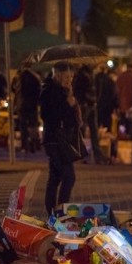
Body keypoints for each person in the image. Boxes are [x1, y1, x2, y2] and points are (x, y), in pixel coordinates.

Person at [41, 62, 81, 216]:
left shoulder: (63, 91)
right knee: (69, 177)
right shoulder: (49, 90)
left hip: (60, 140)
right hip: (55, 140)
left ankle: (52, 213)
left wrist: (71, 102)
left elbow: (70, 119)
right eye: (66, 76)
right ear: (56, 75)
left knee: (55, 177)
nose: (69, 80)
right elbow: (49, 116)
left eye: (71, 77)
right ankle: (59, 213)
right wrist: (67, 104)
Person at [73, 65, 103, 162]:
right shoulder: (91, 76)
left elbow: (77, 90)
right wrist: (93, 100)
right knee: (92, 130)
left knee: (83, 128)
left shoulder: (82, 76)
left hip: (86, 104)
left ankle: (81, 154)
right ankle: (96, 155)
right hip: (89, 104)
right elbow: (98, 91)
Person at [17, 64, 42, 153]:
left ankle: (25, 146)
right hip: (33, 104)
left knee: (23, 126)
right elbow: (39, 91)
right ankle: (34, 144)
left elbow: (16, 89)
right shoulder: (35, 78)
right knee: (33, 125)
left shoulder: (20, 77)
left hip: (23, 105)